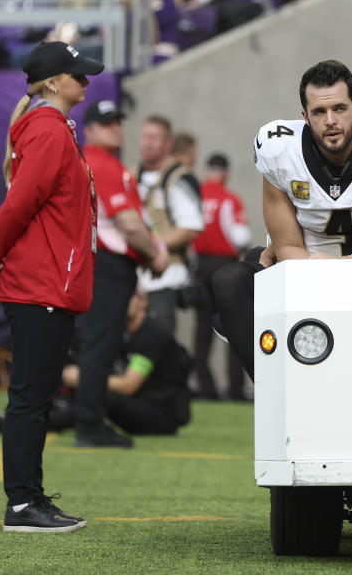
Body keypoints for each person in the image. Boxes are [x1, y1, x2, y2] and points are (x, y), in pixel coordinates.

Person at [212, 59, 352, 377]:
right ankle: (278, 387)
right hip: (307, 276)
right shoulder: (278, 149)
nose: (330, 120)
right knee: (229, 281)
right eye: (319, 112)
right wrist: (319, 275)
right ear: (305, 116)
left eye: (339, 109)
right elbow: (287, 248)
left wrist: (343, 268)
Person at [0, 41, 104, 533]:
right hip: (39, 284)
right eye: (77, 74)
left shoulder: (51, 129)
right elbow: (16, 208)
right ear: (52, 82)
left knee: (37, 396)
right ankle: (23, 505)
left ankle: (30, 499)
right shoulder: (48, 132)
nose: (85, 81)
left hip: (45, 282)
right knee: (31, 398)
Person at [76, 99, 169, 448]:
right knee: (100, 344)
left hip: (112, 265)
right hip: (108, 267)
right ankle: (89, 423)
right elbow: (128, 224)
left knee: (103, 343)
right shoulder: (101, 163)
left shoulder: (107, 163)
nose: (115, 127)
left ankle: (90, 419)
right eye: (106, 122)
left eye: (117, 120)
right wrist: (155, 256)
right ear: (90, 130)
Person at [63, 291, 192, 435]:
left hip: (162, 415)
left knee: (101, 393)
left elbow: (129, 385)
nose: (118, 303)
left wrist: (84, 378)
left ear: (142, 301)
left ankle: (54, 421)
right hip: (139, 406)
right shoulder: (124, 334)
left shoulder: (152, 336)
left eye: (125, 297)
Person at [136, 115, 204, 337]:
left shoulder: (178, 177)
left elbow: (190, 226)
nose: (148, 142)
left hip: (165, 275)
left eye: (155, 138)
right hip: (134, 278)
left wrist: (149, 244)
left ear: (168, 144)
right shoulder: (129, 175)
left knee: (157, 341)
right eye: (145, 136)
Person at [191, 153, 251, 400]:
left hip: (199, 266)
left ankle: (205, 387)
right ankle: (235, 388)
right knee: (232, 325)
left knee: (202, 329)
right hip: (223, 266)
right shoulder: (229, 199)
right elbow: (240, 237)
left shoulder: (196, 196)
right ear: (225, 173)